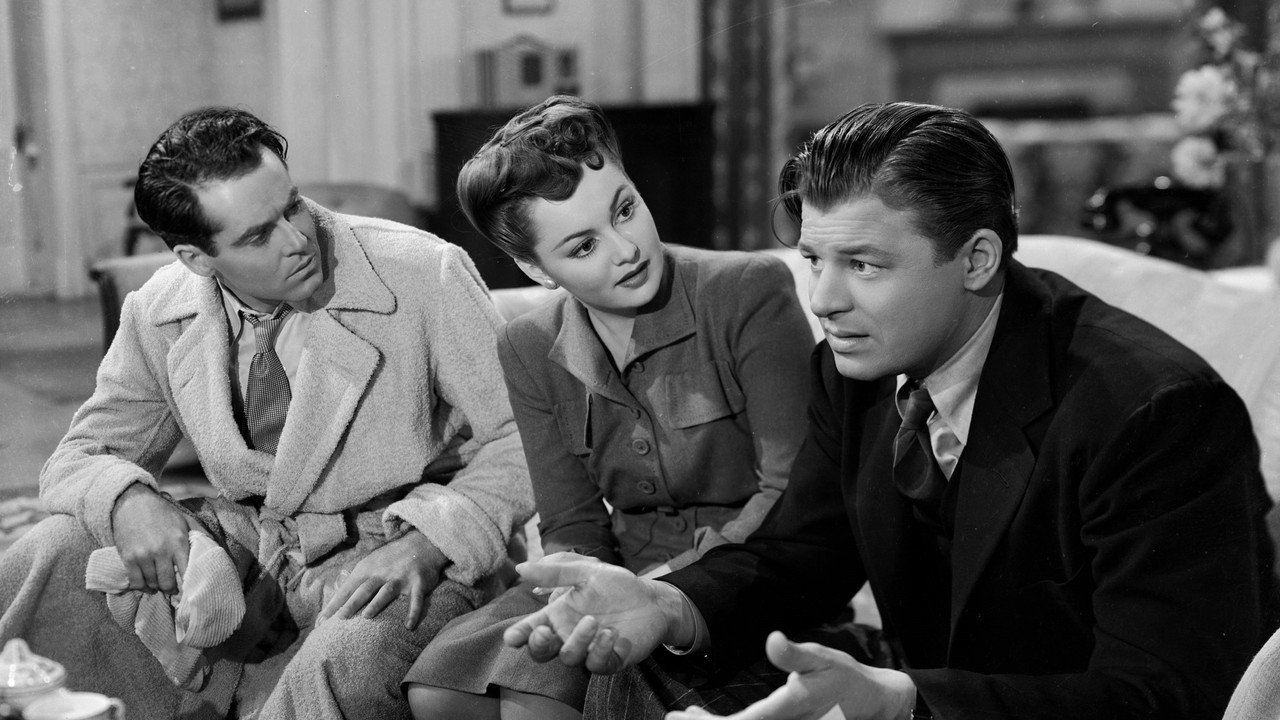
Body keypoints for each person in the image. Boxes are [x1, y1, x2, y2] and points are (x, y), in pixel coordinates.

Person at [502, 101, 1280, 720]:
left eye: (864, 266)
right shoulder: (857, 368)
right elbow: (800, 554)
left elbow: (1166, 697)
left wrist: (906, 703)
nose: (822, 300)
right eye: (813, 259)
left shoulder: (1157, 414)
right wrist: (668, 603)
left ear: (976, 259)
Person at [0, 107, 533, 720]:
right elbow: (82, 455)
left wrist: (428, 545)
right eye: (258, 236)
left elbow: (523, 438)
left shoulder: (422, 273)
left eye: (293, 206)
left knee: (348, 656)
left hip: (400, 548)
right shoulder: (158, 311)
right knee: (56, 548)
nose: (297, 240)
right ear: (197, 259)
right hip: (253, 551)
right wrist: (127, 501)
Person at [403, 95, 816, 720]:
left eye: (626, 210)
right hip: (615, 577)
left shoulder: (747, 291)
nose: (626, 249)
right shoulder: (527, 345)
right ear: (534, 268)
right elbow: (571, 522)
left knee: (534, 703)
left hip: (744, 582)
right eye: (582, 247)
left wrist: (658, 589)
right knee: (440, 693)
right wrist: (581, 589)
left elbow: (789, 495)